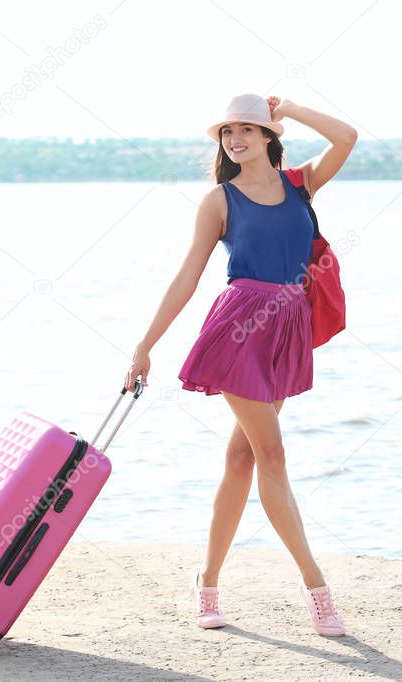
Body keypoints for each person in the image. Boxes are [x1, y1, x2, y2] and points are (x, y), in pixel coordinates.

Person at [123, 93, 357, 636]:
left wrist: (292, 107)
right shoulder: (219, 201)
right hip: (241, 329)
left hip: (288, 327)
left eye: (248, 129)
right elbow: (187, 276)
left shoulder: (301, 184)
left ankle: (206, 583)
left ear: (270, 137)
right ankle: (317, 588)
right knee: (272, 454)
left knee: (241, 459)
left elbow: (347, 138)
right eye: (229, 131)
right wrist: (145, 345)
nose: (236, 139)